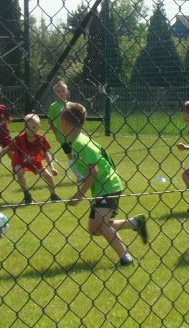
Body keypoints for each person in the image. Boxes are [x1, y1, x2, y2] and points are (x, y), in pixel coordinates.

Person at [60, 102, 148, 266]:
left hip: (108, 186)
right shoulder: (80, 140)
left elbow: (94, 172)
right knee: (94, 228)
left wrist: (78, 195)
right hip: (105, 186)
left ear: (64, 123)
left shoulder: (80, 144)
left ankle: (125, 257)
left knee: (101, 225)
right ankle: (135, 223)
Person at [0, 114, 59, 204]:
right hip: (20, 160)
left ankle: (54, 195)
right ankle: (27, 194)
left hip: (34, 161)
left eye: (34, 127)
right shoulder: (20, 138)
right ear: (25, 127)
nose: (31, 129)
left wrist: (52, 167)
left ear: (39, 127)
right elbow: (6, 149)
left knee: (48, 176)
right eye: (28, 127)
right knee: (19, 171)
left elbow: (47, 153)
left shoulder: (41, 139)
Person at [46, 79, 83, 181]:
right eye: (58, 91)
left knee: (79, 155)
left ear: (67, 91)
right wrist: (56, 134)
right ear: (55, 93)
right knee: (70, 157)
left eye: (63, 90)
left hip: (74, 136)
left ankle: (84, 173)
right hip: (63, 137)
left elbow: (77, 120)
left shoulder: (72, 105)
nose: (61, 93)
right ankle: (79, 177)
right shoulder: (53, 107)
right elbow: (50, 122)